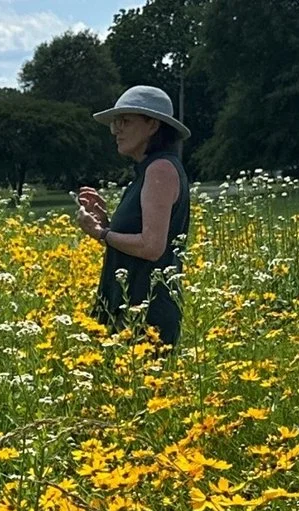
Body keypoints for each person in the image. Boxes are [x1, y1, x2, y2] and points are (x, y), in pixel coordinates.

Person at [75, 85, 191, 348]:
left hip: (144, 314)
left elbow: (151, 247)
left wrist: (100, 233)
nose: (116, 130)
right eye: (115, 123)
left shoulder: (160, 169)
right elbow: (137, 240)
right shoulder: (148, 170)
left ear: (153, 125)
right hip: (130, 308)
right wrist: (104, 222)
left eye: (125, 121)